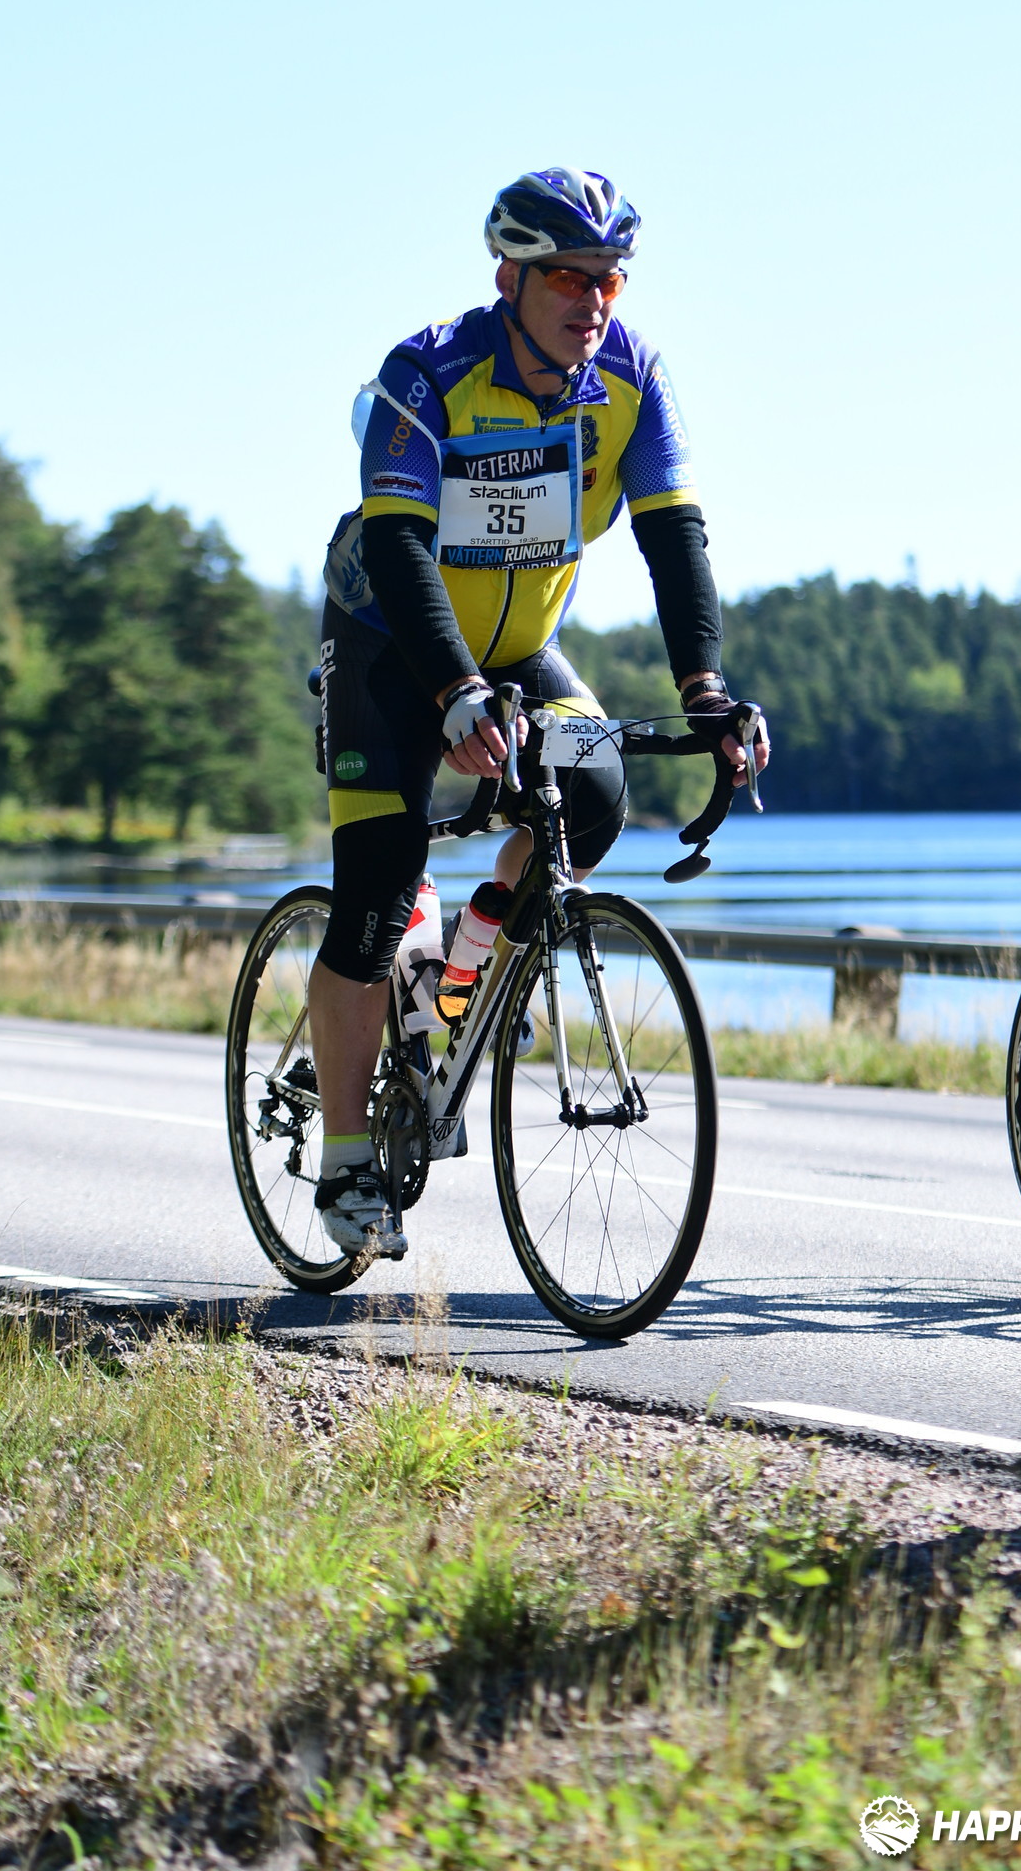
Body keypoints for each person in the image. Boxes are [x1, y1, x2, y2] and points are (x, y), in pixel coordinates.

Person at [309, 166, 769, 1256]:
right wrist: (453, 691)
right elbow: (399, 546)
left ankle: (461, 970)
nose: (592, 298)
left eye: (609, 277)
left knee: (594, 799)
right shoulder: (429, 373)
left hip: (517, 648)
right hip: (391, 644)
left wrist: (705, 692)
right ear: (508, 276)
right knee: (375, 896)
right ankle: (345, 1156)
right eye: (567, 274)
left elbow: (673, 538)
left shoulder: (631, 377)